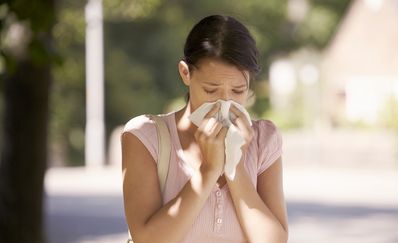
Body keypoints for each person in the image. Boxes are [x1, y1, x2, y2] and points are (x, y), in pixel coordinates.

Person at [121, 15, 288, 243]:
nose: (225, 103)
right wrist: (209, 170)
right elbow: (149, 240)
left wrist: (235, 165)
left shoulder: (263, 140)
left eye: (238, 91)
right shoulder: (145, 136)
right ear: (185, 73)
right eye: (211, 90)